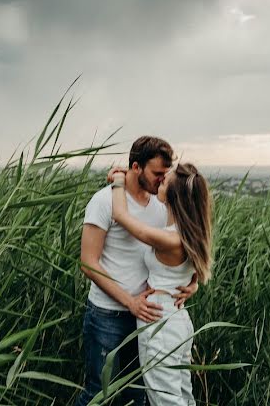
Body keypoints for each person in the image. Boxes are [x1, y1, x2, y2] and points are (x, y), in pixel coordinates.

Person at [76, 137, 199, 406]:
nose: (162, 180)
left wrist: (191, 284)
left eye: (165, 174)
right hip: (107, 314)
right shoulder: (104, 202)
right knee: (99, 393)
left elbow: (182, 250)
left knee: (136, 395)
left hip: (147, 318)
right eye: (157, 173)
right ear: (135, 167)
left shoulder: (162, 206)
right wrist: (129, 301)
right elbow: (88, 262)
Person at [110, 162, 213, 406]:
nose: (160, 181)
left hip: (160, 323)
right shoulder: (192, 233)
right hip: (177, 319)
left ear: (175, 197)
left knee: (165, 399)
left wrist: (117, 181)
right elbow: (188, 276)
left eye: (164, 181)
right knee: (182, 394)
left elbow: (121, 215)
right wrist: (194, 286)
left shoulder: (170, 238)